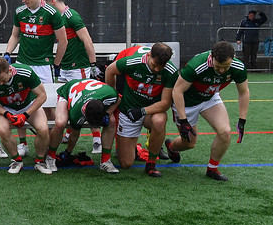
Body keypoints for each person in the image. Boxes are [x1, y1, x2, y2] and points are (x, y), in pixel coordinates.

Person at [164, 41, 249, 182]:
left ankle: (212, 169)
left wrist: (242, 119)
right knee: (189, 143)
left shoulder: (238, 67)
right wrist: (183, 120)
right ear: (212, 57)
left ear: (233, 58)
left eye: (225, 67)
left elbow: (243, 92)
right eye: (218, 67)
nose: (221, 70)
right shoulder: (197, 65)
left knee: (225, 132)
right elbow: (177, 91)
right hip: (187, 102)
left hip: (210, 98)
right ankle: (171, 146)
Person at [4, 0, 67, 157]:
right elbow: (15, 35)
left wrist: (56, 64)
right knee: (20, 102)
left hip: (43, 65)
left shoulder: (51, 13)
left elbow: (63, 41)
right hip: (22, 63)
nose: (23, 1)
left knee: (47, 106)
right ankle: (23, 143)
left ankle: (51, 142)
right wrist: (8, 52)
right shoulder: (19, 12)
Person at [42, 0, 102, 154]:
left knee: (85, 102)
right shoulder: (58, 18)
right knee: (63, 101)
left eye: (48, 5)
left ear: (53, 2)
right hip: (65, 69)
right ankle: (67, 132)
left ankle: (97, 139)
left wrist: (93, 63)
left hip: (78, 69)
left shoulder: (71, 16)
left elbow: (87, 39)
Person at [104, 42, 177, 178]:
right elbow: (110, 70)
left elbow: (165, 103)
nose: (156, 70)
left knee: (160, 120)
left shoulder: (170, 71)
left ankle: (151, 164)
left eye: (160, 67)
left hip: (150, 111)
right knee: (126, 163)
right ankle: (131, 147)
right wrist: (113, 95)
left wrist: (141, 111)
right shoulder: (132, 62)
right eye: (154, 65)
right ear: (148, 55)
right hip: (128, 109)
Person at [0, 57, 52, 174]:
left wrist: (25, 115)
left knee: (43, 129)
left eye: (3, 79)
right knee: (3, 130)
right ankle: (16, 160)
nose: (0, 83)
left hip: (28, 105)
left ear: (9, 70)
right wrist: (6, 114)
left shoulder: (25, 72)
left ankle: (40, 161)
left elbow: (42, 96)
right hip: (7, 108)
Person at [49, 78, 121, 174]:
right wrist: (68, 152)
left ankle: (105, 160)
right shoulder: (76, 111)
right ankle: (51, 156)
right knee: (60, 123)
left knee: (111, 121)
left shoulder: (110, 94)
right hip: (68, 90)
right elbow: (74, 133)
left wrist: (107, 113)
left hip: (95, 90)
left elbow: (118, 99)